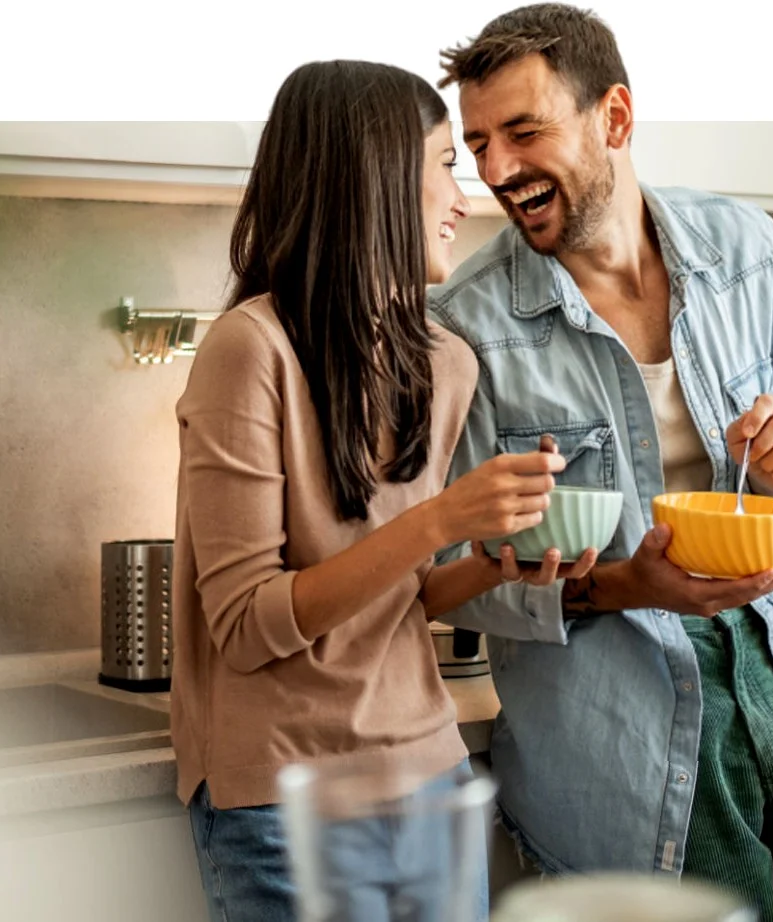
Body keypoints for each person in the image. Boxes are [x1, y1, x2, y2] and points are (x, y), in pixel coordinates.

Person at [428, 5, 773, 920]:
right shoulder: (465, 329)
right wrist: (626, 587)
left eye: (523, 132)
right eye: (478, 144)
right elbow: (450, 575)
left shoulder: (750, 253)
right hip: (629, 733)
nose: (498, 170)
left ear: (615, 117)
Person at [168, 59, 598, 922]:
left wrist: (496, 561)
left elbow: (404, 593)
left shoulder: (445, 364)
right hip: (287, 800)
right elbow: (247, 625)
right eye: (445, 164)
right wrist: (440, 518)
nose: (464, 199)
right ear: (374, 177)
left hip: (431, 776)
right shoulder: (250, 350)